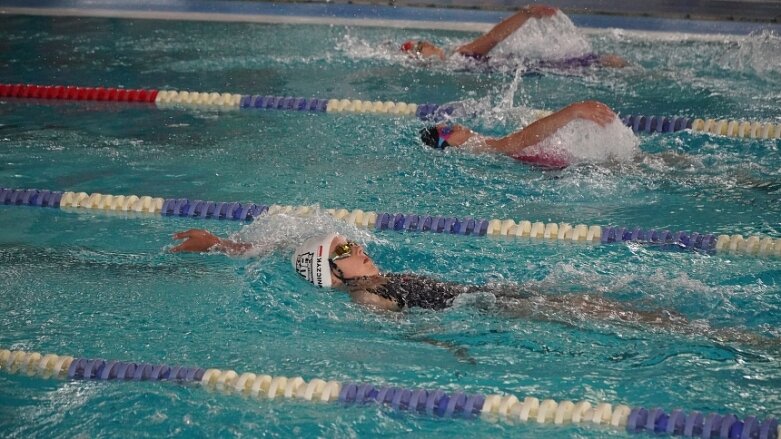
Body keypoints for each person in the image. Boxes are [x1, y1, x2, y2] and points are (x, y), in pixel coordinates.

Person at [170, 229, 772, 347]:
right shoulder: (363, 293)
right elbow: (397, 326)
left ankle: (719, 331)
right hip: (484, 306)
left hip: (489, 290)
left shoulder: (363, 276)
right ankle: (735, 338)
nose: (359, 244)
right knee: (595, 311)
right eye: (347, 250)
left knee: (606, 305)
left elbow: (300, 243)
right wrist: (446, 346)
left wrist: (224, 246)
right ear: (336, 272)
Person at [400, 5, 628, 69]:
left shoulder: (454, 61)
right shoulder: (458, 57)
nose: (427, 43)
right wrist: (526, 13)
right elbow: (494, 38)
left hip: (524, 68)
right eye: (420, 46)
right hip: (532, 68)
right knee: (602, 61)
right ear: (421, 58)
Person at [420, 100, 619, 168]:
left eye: (448, 124)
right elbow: (518, 141)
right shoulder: (477, 148)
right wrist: (573, 111)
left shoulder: (479, 146)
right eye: (446, 131)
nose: (453, 126)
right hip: (563, 166)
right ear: (448, 148)